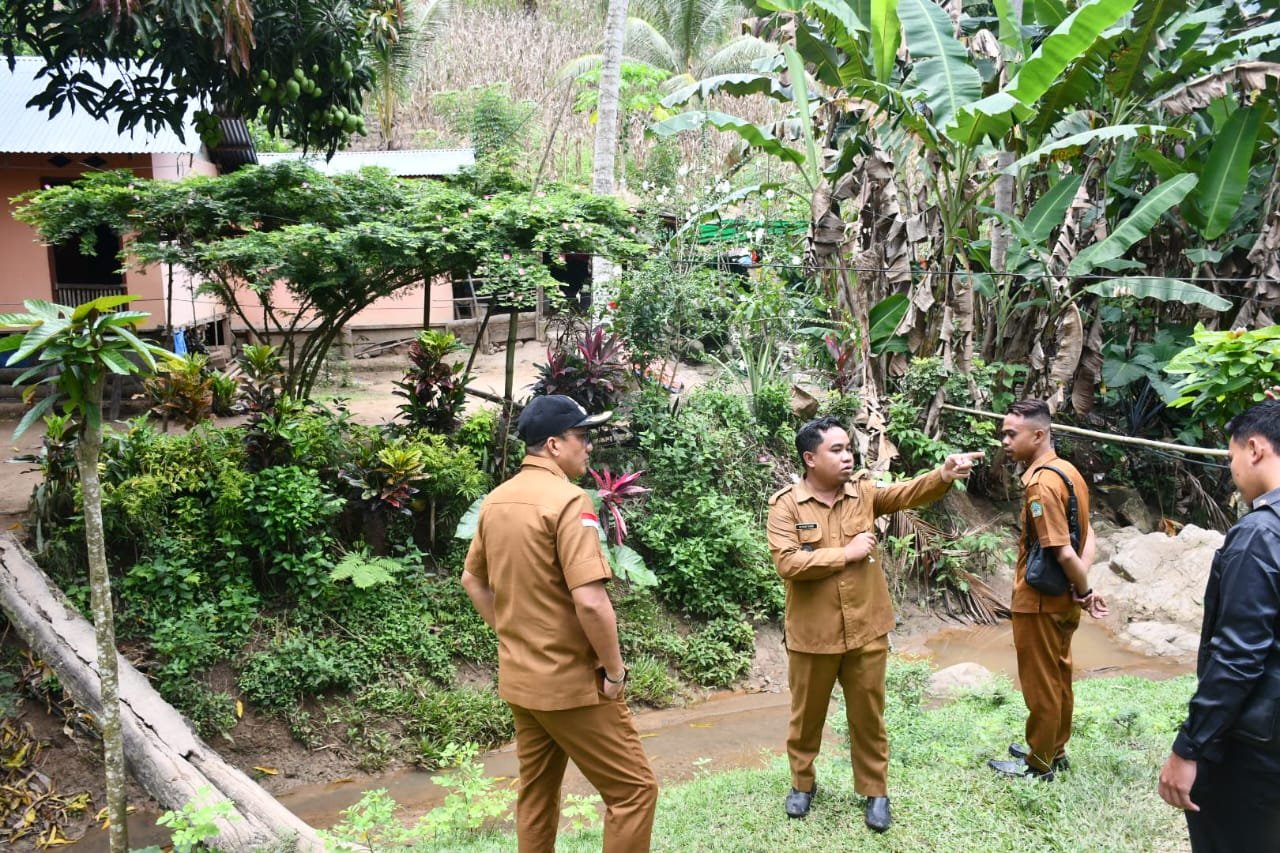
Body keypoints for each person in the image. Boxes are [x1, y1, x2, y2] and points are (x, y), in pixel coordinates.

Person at [766, 415, 984, 832]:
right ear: (810, 458)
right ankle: (802, 783)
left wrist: (942, 474)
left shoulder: (864, 493)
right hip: (814, 635)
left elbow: (905, 494)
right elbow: (788, 563)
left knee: (868, 715)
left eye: (849, 448)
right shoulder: (787, 505)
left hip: (867, 628)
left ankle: (875, 791)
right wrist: (845, 554)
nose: (848, 456)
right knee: (805, 716)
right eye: (837, 450)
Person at [461, 395, 658, 853]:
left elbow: (473, 579)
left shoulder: (496, 501)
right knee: (634, 792)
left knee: (537, 794)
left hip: (522, 681)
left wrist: (513, 635)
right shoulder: (571, 503)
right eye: (582, 437)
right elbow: (590, 601)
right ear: (553, 444)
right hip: (572, 685)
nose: (588, 447)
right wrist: (613, 672)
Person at [1158, 400, 1280, 850]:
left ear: (1255, 449)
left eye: (1230, 457)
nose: (1231, 469)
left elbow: (1239, 655)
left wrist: (1189, 747)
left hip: (1254, 747)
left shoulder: (1260, 534)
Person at [987, 399, 1107, 782]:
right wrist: (1080, 587)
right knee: (1059, 676)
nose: (1003, 440)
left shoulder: (1041, 484)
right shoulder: (1069, 471)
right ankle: (1054, 748)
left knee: (1040, 683)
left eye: (1011, 433)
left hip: (1039, 601)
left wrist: (1086, 592)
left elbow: (1062, 549)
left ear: (1038, 435)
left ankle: (1039, 764)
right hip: (1063, 598)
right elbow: (1092, 540)